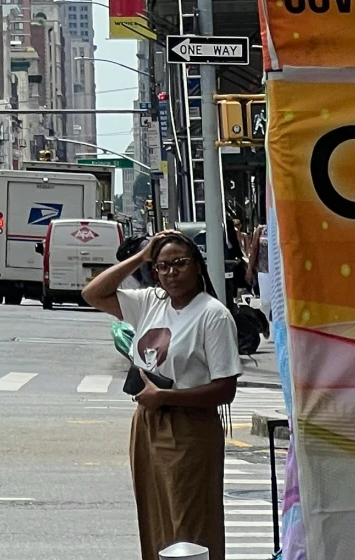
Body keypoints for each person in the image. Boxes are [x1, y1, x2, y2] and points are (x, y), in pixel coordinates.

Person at [83, 226, 240, 560]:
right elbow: (93, 293)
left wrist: (167, 398)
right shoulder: (150, 303)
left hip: (189, 427)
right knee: (154, 518)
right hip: (147, 423)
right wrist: (141, 255)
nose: (171, 273)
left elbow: (226, 389)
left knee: (189, 522)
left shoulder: (212, 315)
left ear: (198, 266)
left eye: (179, 263)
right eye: (162, 266)